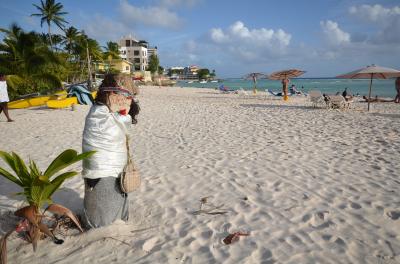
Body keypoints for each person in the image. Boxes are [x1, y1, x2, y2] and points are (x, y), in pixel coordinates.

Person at [81, 73, 140, 229]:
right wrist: (124, 113)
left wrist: (124, 112)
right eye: (125, 95)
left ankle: (117, 219)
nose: (128, 100)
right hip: (101, 170)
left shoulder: (111, 113)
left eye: (130, 97)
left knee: (119, 197)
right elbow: (112, 131)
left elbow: (123, 127)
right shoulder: (98, 113)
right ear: (110, 94)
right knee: (102, 217)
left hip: (117, 169)